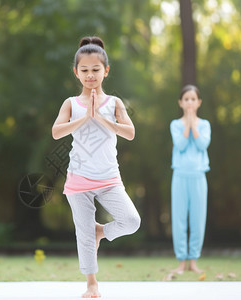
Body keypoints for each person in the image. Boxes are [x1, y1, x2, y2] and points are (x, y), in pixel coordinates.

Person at [52, 36, 141, 298]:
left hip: (109, 178)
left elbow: (130, 133)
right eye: (84, 70)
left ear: (106, 71)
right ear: (76, 72)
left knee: (131, 221)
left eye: (95, 70)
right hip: (78, 179)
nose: (90, 75)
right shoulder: (71, 103)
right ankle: (92, 283)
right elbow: (57, 132)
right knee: (84, 234)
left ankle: (101, 231)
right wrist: (85, 118)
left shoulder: (114, 103)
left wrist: (102, 118)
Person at [170, 84, 211, 274]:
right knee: (179, 220)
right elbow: (180, 144)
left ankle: (193, 260)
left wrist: (194, 124)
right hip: (179, 176)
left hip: (199, 177)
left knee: (197, 219)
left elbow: (203, 144)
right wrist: (187, 124)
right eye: (186, 99)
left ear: (199, 102)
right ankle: (181, 261)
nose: (189, 102)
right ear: (180, 102)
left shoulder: (205, 125)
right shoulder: (175, 125)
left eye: (193, 99)